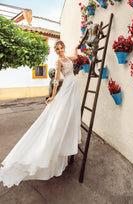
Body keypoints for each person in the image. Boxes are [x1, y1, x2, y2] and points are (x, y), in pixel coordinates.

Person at [0, 40, 82, 188]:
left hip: (73, 87)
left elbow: (76, 57)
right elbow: (56, 80)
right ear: (56, 51)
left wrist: (76, 48)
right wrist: (52, 96)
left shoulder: (68, 58)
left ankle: (69, 138)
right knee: (60, 115)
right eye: (57, 49)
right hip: (67, 86)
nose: (59, 50)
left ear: (64, 47)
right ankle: (55, 143)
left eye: (60, 47)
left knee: (72, 113)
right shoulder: (58, 62)